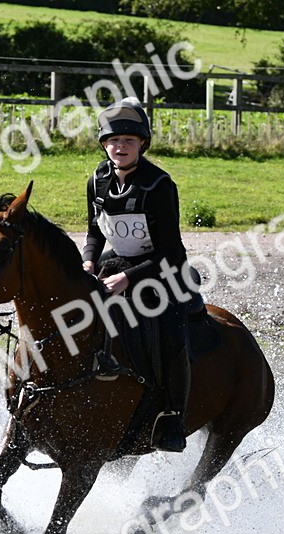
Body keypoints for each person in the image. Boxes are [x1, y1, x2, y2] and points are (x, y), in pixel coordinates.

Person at [82, 97, 201, 453]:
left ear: (142, 146)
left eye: (129, 142)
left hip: (162, 271)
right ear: (105, 145)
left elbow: (173, 252)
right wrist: (88, 260)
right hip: (115, 262)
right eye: (114, 141)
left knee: (171, 332)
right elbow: (93, 231)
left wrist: (129, 279)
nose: (120, 147)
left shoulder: (159, 185)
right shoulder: (97, 179)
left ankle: (173, 418)